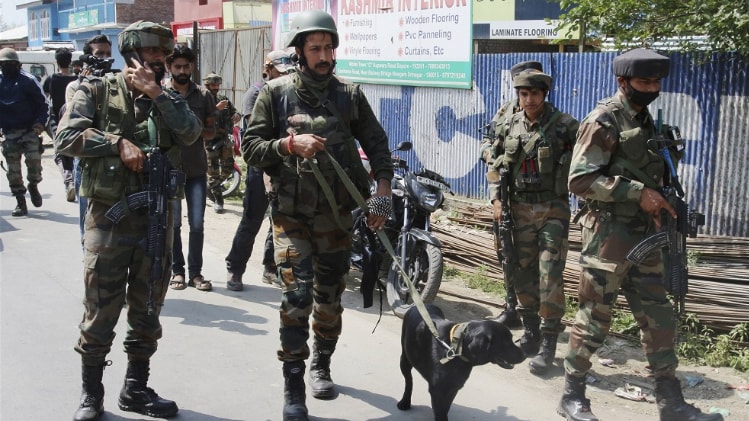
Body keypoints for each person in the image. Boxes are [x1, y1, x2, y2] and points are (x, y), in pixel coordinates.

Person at [243, 10, 394, 421]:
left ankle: (321, 364)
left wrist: (382, 192)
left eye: (329, 48)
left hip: (336, 217)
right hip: (290, 216)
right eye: (316, 49)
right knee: (296, 297)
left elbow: (378, 146)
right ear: (299, 52)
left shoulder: (349, 95)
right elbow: (251, 148)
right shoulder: (274, 94)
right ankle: (293, 384)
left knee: (329, 299)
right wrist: (288, 146)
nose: (324, 56)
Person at [560, 48, 723, 421]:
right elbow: (579, 180)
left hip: (648, 237)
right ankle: (572, 394)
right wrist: (637, 193)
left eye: (656, 82)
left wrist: (663, 201)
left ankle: (671, 402)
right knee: (595, 317)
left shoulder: (650, 123)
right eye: (644, 81)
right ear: (623, 81)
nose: (652, 88)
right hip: (608, 237)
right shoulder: (603, 121)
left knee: (658, 317)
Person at [55, 20, 201, 421]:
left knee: (148, 308)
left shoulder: (167, 98)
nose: (159, 61)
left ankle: (135, 388)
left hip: (156, 219)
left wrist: (156, 93)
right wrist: (116, 143)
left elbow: (191, 133)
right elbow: (66, 137)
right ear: (132, 53)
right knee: (100, 308)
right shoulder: (96, 90)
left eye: (164, 55)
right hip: (109, 220)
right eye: (152, 53)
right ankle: (91, 393)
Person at [487, 70, 578, 375]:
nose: (529, 100)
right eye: (523, 94)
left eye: (534, 94)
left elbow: (587, 163)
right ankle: (531, 333)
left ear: (544, 94)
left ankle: (549, 344)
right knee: (522, 271)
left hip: (553, 208)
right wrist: (497, 200)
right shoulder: (509, 124)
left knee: (549, 274)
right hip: (519, 208)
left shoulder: (566, 126)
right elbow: (495, 162)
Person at [480, 60, 544, 329]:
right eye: (521, 86)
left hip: (535, 200)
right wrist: (490, 156)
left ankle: (536, 311)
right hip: (505, 195)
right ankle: (511, 306)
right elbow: (488, 143)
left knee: (534, 259)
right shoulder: (505, 112)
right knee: (506, 252)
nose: (527, 93)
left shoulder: (546, 115)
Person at [225, 49, 294, 291]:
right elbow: (255, 134)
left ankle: (270, 268)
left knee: (279, 220)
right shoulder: (256, 93)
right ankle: (235, 268)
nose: (283, 76)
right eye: (279, 71)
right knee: (252, 219)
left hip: (283, 165)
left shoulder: (289, 93)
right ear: (268, 69)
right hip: (260, 164)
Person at [165, 44, 217, 292]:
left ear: (192, 67)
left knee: (197, 224)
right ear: (169, 68)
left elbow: (211, 131)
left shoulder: (204, 96)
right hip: (170, 170)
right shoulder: (161, 94)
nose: (182, 71)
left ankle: (196, 273)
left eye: (186, 66)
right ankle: (177, 271)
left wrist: (191, 129)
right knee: (173, 224)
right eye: (178, 67)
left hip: (196, 169)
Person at [66, 34, 114, 242]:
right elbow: (73, 123)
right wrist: (85, 84)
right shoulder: (75, 87)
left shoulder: (116, 84)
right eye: (99, 54)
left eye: (108, 54)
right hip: (86, 161)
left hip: (111, 159)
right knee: (87, 217)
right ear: (87, 58)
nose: (105, 58)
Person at [0, 47, 48, 217]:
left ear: (18, 64)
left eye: (10, 64)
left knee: (34, 164)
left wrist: (40, 123)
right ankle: (20, 201)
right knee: (13, 170)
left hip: (29, 129)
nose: (7, 67)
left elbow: (44, 104)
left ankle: (33, 185)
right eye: (3, 64)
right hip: (9, 132)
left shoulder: (28, 80)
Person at [43, 47, 79, 201]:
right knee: (75, 152)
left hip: (57, 123)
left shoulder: (51, 79)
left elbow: (45, 99)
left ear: (56, 62)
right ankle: (74, 181)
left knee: (60, 153)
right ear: (70, 61)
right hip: (75, 121)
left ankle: (69, 182)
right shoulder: (75, 81)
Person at [203, 72, 240, 213]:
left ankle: (212, 186)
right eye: (213, 85)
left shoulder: (223, 99)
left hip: (224, 139)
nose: (216, 87)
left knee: (228, 167)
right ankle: (219, 200)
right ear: (207, 85)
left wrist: (237, 115)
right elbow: (198, 118)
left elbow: (234, 112)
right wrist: (215, 109)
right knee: (213, 171)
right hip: (209, 140)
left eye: (217, 85)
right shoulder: (202, 99)